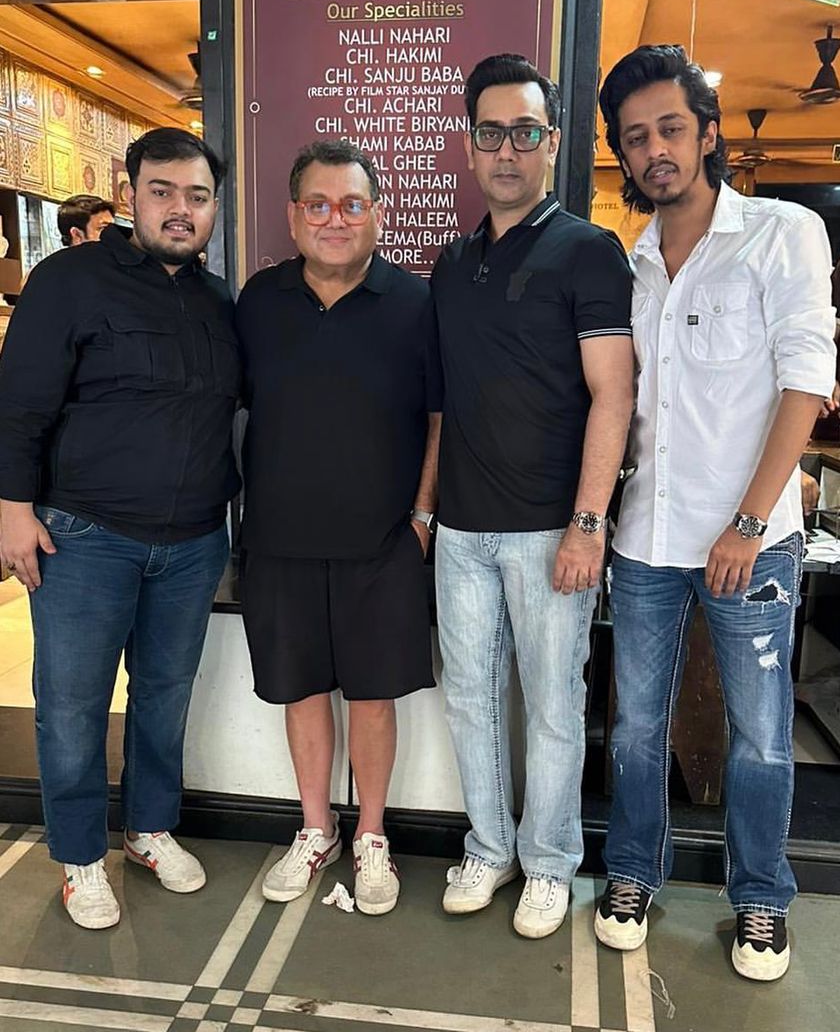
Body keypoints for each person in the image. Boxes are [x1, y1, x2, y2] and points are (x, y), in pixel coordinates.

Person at [595, 45, 837, 981]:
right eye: (635, 137)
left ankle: (761, 897)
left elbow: (805, 384)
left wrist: (748, 522)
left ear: (707, 133)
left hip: (752, 544)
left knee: (761, 735)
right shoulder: (632, 263)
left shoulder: (780, 234)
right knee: (635, 725)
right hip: (646, 540)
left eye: (669, 128)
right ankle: (632, 873)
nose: (654, 149)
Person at [0, 128, 239, 930]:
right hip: (84, 538)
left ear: (214, 207)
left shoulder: (218, 301)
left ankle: (148, 830)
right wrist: (11, 510)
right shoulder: (68, 280)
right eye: (163, 191)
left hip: (193, 542)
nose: (180, 209)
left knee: (165, 696)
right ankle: (78, 857)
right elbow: (18, 405)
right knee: (71, 704)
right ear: (130, 194)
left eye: (197, 196)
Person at [431, 54, 635, 939]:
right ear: (470, 144)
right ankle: (490, 847)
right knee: (469, 699)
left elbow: (614, 395)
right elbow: (442, 402)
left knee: (554, 706)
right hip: (462, 529)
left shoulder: (589, 250)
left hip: (552, 528)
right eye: (491, 133)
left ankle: (549, 863)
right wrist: (428, 510)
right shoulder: (454, 262)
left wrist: (588, 523)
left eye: (525, 132)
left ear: (552, 142)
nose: (507, 150)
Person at [235, 140, 440, 916]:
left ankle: (372, 836)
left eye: (353, 204)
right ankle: (316, 829)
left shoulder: (415, 303)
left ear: (377, 214)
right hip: (279, 537)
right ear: (293, 216)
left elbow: (440, 418)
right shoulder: (258, 300)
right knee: (301, 691)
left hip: (384, 541)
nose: (335, 219)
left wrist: (422, 516)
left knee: (374, 695)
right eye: (318, 204)